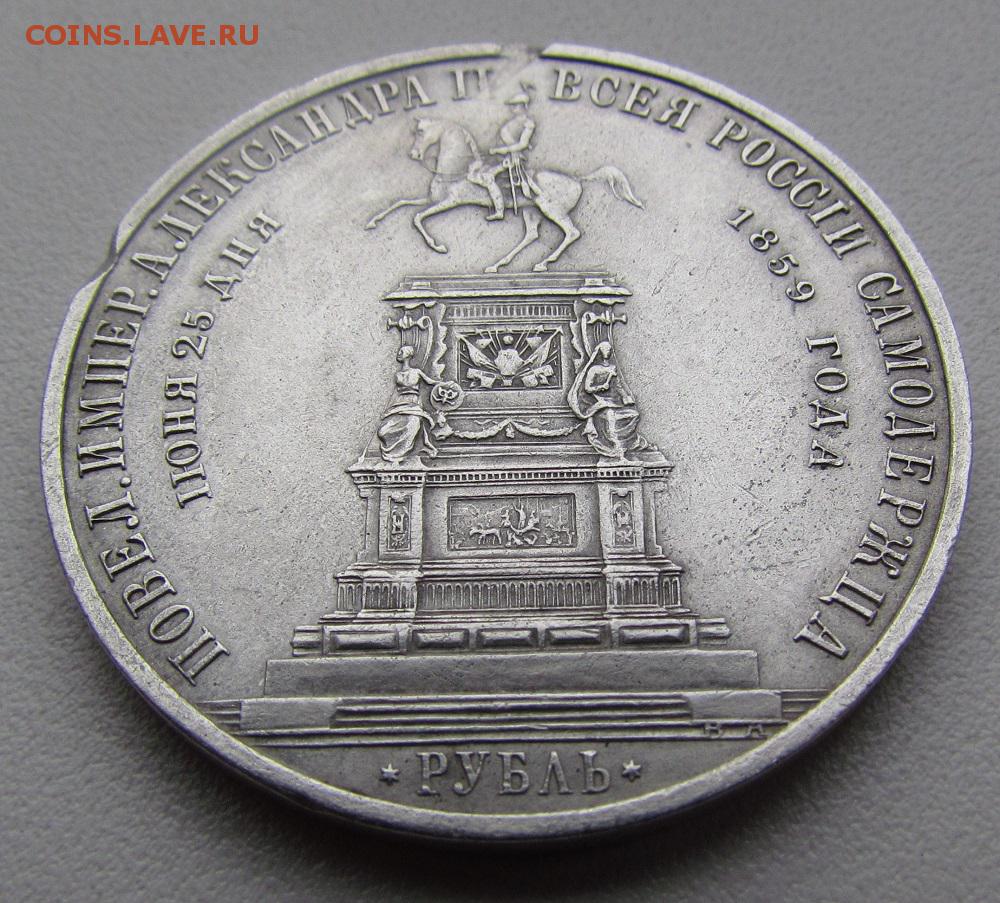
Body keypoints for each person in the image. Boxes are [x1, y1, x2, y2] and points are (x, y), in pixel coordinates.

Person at [567, 341, 650, 460]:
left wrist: (625, 397)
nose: (608, 352)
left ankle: (628, 441)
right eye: (605, 350)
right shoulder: (594, 369)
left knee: (634, 415)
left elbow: (618, 386)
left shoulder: (612, 368)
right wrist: (601, 387)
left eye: (609, 350)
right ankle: (616, 447)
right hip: (599, 403)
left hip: (614, 402)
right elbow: (587, 388)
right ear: (600, 352)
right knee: (611, 418)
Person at [467, 88, 538, 221]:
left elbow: (522, 145)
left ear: (523, 106)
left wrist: (500, 150)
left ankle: (499, 210)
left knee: (488, 177)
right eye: (512, 105)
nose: (512, 108)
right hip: (501, 158)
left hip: (513, 159)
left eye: (515, 105)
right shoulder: (511, 122)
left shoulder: (528, 124)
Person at [377, 345, 439, 462]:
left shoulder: (417, 372)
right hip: (399, 404)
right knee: (382, 432)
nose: (399, 353)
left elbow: (431, 382)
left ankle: (402, 455)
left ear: (409, 355)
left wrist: (444, 385)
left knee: (412, 426)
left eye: (402, 351)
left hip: (413, 404)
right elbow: (393, 394)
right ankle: (391, 454)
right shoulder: (397, 374)